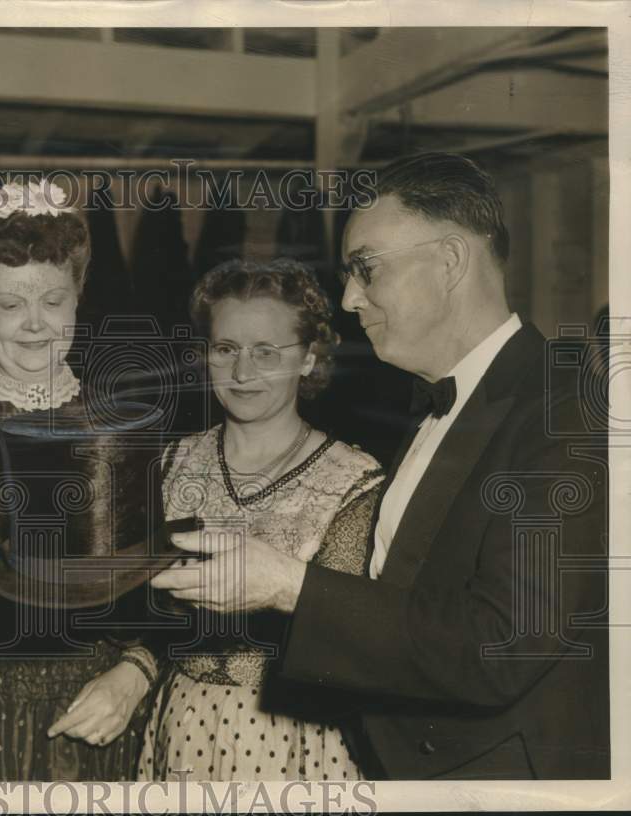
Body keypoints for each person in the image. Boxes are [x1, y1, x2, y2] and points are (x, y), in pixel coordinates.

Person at [154, 152, 610, 780]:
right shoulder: (439, 407)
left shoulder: (564, 411)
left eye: (366, 269)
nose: (348, 298)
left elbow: (500, 645)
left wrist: (290, 585)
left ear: (450, 262)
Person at [0, 179, 157, 781]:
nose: (34, 325)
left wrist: (135, 673)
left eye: (52, 301)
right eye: (9, 305)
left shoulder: (123, 424)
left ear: (78, 297)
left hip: (108, 711)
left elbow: (165, 585)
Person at [139, 258, 384, 782]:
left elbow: (353, 637)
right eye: (226, 349)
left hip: (297, 737)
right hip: (181, 724)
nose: (243, 373)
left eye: (266, 353)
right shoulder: (172, 462)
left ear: (308, 358)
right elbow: (145, 616)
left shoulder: (353, 480)